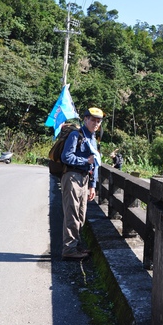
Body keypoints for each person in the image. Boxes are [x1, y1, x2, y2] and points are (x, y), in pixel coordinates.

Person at [60, 107, 104, 260]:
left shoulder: (92, 139)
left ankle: (76, 245)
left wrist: (92, 185)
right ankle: (69, 249)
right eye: (93, 120)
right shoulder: (75, 135)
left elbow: (95, 164)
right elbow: (66, 157)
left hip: (84, 179)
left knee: (81, 214)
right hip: (72, 176)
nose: (96, 123)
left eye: (98, 121)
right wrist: (85, 160)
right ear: (85, 119)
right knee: (71, 214)